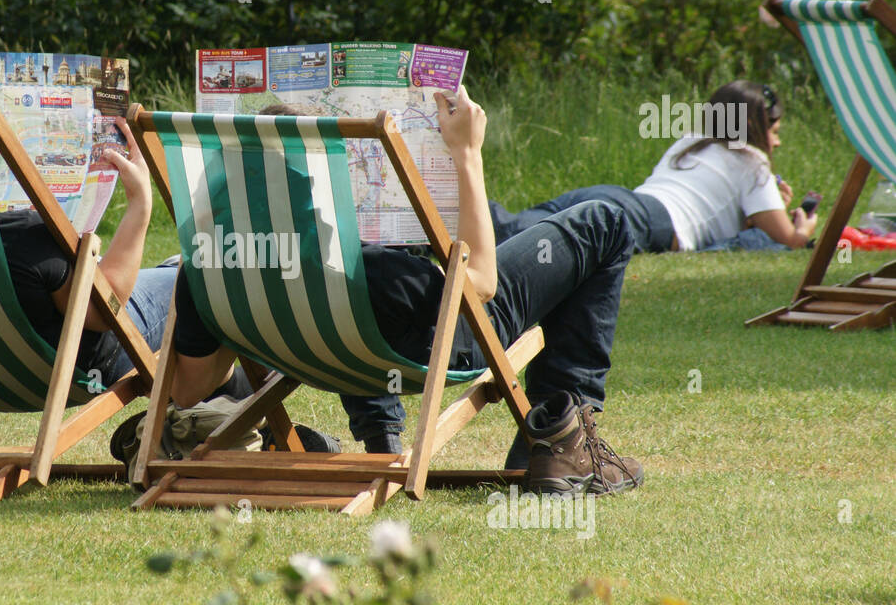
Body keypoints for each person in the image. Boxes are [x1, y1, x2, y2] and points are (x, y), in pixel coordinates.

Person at [169, 88, 644, 496]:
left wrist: (251, 319)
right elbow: (479, 284)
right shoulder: (368, 268)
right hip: (449, 343)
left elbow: (190, 388)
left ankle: (386, 440)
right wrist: (467, 154)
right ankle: (561, 443)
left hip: (327, 357)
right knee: (603, 223)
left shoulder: (207, 269)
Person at [0, 78, 255, 400]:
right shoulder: (19, 240)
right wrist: (140, 205)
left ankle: (228, 406)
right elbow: (106, 309)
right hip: (81, 362)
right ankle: (242, 403)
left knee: (178, 271)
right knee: (209, 271)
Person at [488, 80, 819, 252]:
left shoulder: (691, 140)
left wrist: (768, 208)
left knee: (524, 230)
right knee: (530, 240)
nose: (777, 143)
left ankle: (452, 220)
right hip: (652, 221)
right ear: (753, 125)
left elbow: (719, 208)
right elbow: (787, 239)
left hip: (620, 199)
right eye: (774, 132)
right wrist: (804, 228)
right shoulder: (754, 161)